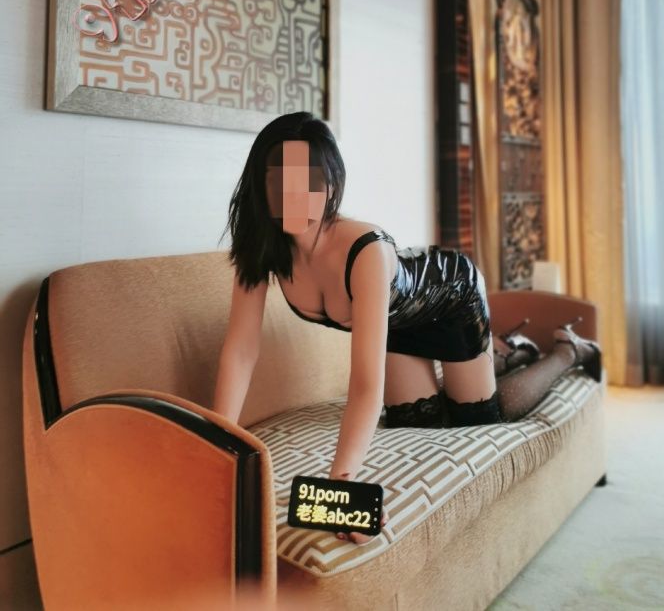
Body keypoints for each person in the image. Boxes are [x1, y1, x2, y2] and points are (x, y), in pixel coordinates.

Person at [213, 111, 602, 545]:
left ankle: (565, 350)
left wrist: (342, 479)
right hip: (398, 325)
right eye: (280, 181)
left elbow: (365, 384)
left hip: (451, 298)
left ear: (332, 186)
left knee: (480, 417)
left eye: (309, 182)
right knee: (420, 421)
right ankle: (500, 352)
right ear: (261, 185)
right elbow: (241, 352)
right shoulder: (262, 249)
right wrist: (215, 448)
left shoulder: (364, 251)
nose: (294, 196)